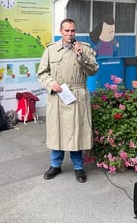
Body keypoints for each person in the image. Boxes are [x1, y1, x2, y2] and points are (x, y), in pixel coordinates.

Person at [37, 18, 98, 183]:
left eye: (72, 31)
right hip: (58, 95)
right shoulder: (50, 50)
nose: (70, 34)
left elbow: (93, 71)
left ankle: (78, 167)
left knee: (76, 132)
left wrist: (81, 56)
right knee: (57, 131)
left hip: (77, 95)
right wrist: (52, 84)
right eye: (67, 30)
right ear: (61, 31)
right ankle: (55, 165)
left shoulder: (84, 48)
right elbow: (42, 73)